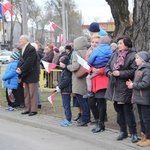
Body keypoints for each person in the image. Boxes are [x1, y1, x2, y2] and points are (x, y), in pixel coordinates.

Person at [105, 36, 138, 143]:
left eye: (120, 43)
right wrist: (109, 73)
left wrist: (120, 73)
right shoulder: (115, 54)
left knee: (128, 111)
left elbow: (134, 71)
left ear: (126, 45)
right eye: (118, 43)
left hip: (125, 87)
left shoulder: (133, 55)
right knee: (118, 111)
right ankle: (123, 131)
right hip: (114, 87)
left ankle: (133, 133)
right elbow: (107, 67)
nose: (118, 45)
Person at [126, 51, 150, 147]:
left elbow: (146, 83)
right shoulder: (138, 69)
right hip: (139, 98)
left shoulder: (147, 69)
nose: (135, 60)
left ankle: (149, 137)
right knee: (142, 118)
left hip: (144, 98)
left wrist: (133, 85)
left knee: (146, 119)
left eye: (137, 58)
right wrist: (132, 84)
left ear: (143, 59)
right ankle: (143, 136)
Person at [67, 36, 90, 126]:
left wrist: (67, 66)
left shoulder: (77, 53)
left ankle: (85, 118)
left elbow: (75, 66)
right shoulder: (87, 52)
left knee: (81, 100)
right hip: (86, 77)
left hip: (78, 79)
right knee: (85, 100)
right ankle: (86, 117)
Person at [16, 35, 39, 116]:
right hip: (25, 74)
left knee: (32, 93)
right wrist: (18, 68)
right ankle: (27, 108)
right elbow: (21, 60)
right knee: (26, 93)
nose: (20, 41)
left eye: (21, 39)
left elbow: (29, 62)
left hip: (32, 74)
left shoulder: (31, 49)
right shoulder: (23, 49)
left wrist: (21, 69)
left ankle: (33, 110)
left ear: (25, 40)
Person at [56, 55, 72, 127]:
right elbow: (62, 80)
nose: (60, 63)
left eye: (61, 62)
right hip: (64, 90)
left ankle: (68, 119)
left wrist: (60, 86)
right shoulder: (64, 70)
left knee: (66, 105)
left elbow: (65, 80)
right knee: (65, 105)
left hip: (66, 90)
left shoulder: (67, 71)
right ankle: (67, 118)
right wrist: (58, 85)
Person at [13, 43, 25, 108]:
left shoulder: (20, 54)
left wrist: (19, 68)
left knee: (20, 88)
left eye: (14, 48)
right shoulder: (21, 53)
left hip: (21, 73)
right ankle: (21, 102)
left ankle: (22, 102)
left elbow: (21, 62)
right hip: (20, 72)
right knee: (20, 88)